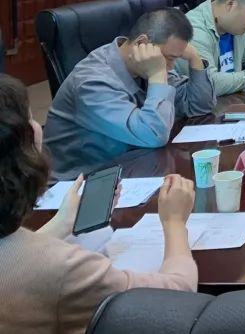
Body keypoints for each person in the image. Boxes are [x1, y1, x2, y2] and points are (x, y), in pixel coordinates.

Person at [0, 75, 198, 334]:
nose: (39, 125)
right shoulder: (62, 268)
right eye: (31, 119)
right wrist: (174, 223)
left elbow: (15, 258)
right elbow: (176, 298)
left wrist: (62, 223)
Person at [43, 9, 215, 179]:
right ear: (142, 44)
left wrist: (195, 58)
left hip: (130, 167)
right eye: (169, 58)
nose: (170, 67)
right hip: (79, 184)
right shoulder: (92, 82)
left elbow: (199, 107)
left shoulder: (148, 64)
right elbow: (154, 134)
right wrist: (157, 75)